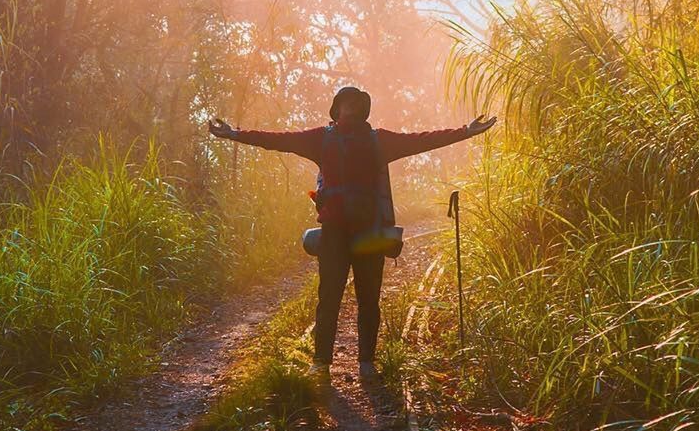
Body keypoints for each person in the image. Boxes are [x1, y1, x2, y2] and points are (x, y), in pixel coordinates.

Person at [207, 85, 497, 380]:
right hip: (334, 231)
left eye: (357, 102)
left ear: (363, 109)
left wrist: (466, 131)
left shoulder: (379, 140)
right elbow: (279, 141)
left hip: (369, 230)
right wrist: (235, 134)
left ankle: (366, 363)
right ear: (337, 107)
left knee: (368, 299)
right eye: (347, 101)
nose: (352, 107)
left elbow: (422, 141)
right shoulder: (321, 138)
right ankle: (321, 363)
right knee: (328, 297)